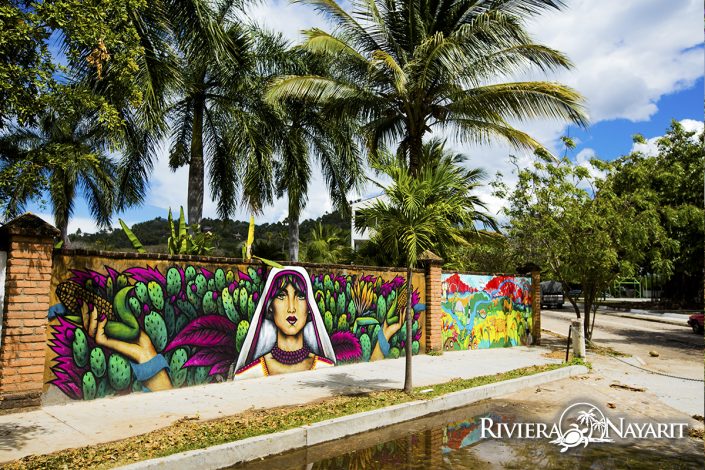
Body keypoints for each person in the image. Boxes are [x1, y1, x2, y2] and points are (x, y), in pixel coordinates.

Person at [234, 266, 336, 378]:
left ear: (309, 306)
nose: (291, 308)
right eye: (281, 296)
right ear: (270, 306)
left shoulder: (326, 368)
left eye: (300, 296)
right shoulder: (249, 375)